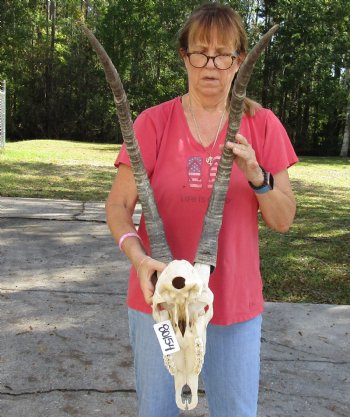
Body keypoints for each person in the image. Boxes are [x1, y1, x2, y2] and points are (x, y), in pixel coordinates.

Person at [105, 3, 298, 417]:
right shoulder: (153, 123)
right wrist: (138, 259)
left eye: (223, 54)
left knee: (236, 411)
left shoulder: (263, 125)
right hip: (160, 305)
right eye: (200, 52)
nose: (211, 65)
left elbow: (283, 220)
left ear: (239, 59)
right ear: (184, 56)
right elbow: (119, 206)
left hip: (232, 307)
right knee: (158, 409)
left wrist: (257, 174)